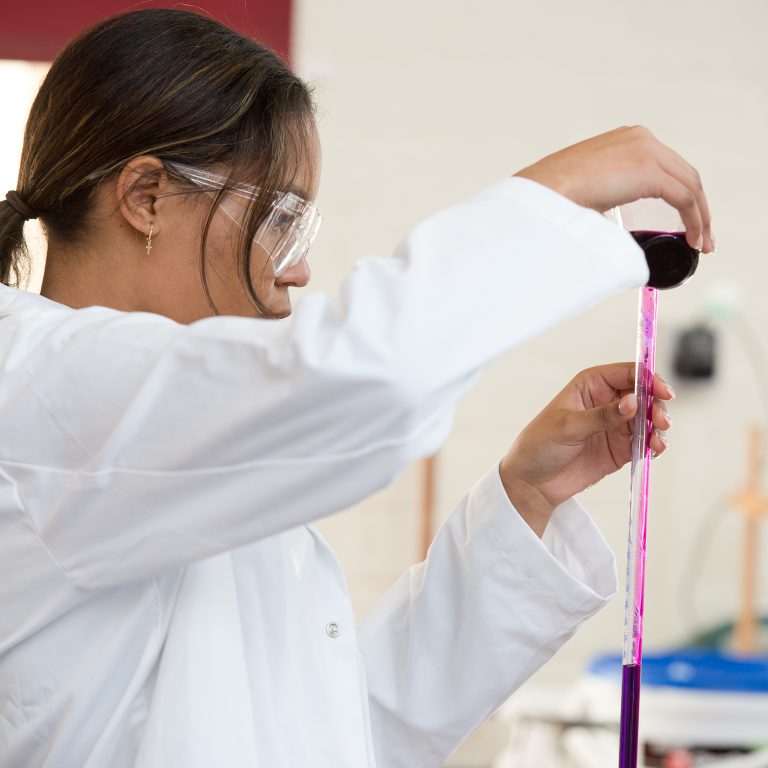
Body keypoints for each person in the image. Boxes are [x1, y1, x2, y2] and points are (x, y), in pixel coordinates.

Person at [0, 9, 710, 768]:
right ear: (145, 197)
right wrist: (553, 196)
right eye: (278, 218)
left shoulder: (174, 453)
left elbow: (339, 731)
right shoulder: (35, 384)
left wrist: (525, 500)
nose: (298, 269)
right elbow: (364, 380)